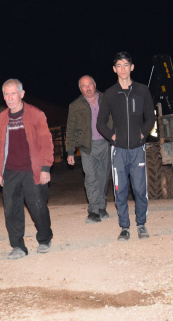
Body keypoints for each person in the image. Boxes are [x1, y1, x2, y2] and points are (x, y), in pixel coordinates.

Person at [97, 52, 156, 241]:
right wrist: (113, 137)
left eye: (126, 64)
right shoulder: (109, 94)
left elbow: (151, 117)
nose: (123, 69)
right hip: (119, 150)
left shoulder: (142, 90)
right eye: (119, 65)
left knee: (140, 189)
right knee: (120, 190)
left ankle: (141, 224)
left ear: (132, 67)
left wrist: (142, 134)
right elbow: (100, 123)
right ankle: (125, 227)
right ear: (114, 69)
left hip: (138, 149)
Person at [0, 79, 54, 259]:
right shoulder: (3, 117)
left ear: (22, 94)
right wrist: (0, 170)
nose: (9, 98)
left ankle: (44, 238)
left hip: (32, 169)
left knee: (38, 207)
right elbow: (1, 144)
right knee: (11, 210)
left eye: (13, 93)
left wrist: (45, 167)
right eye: (6, 94)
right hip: (10, 170)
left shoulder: (36, 114)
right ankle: (18, 247)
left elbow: (46, 142)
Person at [66, 75, 112, 224]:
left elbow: (116, 120)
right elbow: (70, 129)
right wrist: (70, 152)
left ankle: (101, 207)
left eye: (89, 84)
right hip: (87, 147)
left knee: (103, 177)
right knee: (91, 178)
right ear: (80, 89)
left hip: (105, 144)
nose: (88, 88)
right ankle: (93, 211)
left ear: (95, 84)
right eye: (84, 86)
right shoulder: (75, 106)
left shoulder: (107, 99)